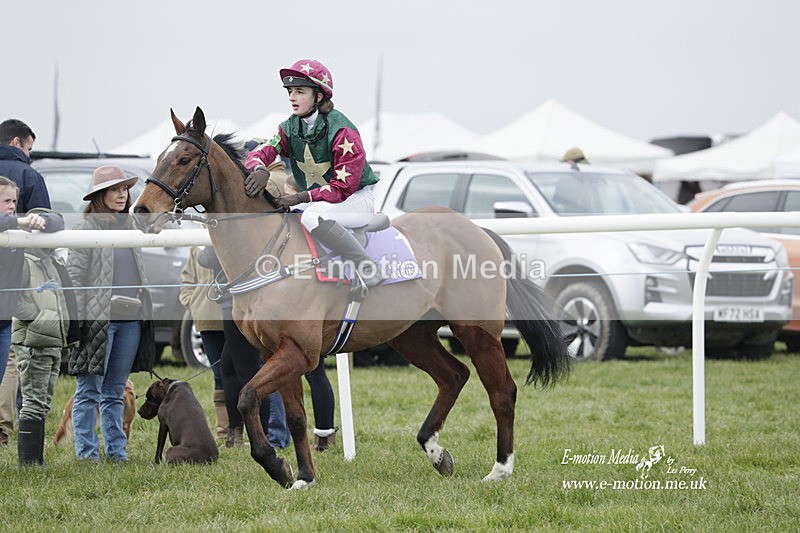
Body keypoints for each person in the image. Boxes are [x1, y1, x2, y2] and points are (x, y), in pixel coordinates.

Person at [244, 59, 383, 288]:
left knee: (311, 216)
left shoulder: (343, 131)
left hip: (356, 199)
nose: (292, 97)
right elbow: (262, 152)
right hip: (322, 202)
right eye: (290, 91)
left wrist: (299, 197)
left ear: (319, 96)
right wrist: (259, 169)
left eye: (300, 91)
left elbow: (342, 188)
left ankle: (366, 266)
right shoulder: (289, 126)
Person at [66, 165, 155, 462]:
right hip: (96, 322)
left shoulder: (132, 226)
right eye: (114, 189)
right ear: (99, 195)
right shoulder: (85, 229)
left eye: (124, 188)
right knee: (89, 391)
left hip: (130, 319)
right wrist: (78, 321)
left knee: (115, 390)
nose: (121, 194)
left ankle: (117, 453)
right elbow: (75, 279)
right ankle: (88, 455)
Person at [196, 246, 291, 449]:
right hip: (239, 302)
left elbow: (206, 257)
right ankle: (237, 434)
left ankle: (257, 436)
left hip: (239, 304)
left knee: (247, 372)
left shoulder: (227, 228)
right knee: (229, 368)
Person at [0, 119, 52, 447]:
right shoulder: (29, 174)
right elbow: (49, 218)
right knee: (15, 359)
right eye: (29, 149)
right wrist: (27, 219)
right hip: (18, 284)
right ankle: (5, 428)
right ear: (18, 143)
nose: (30, 156)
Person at [13, 207, 75, 466]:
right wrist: (39, 318)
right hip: (34, 340)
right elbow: (13, 300)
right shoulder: (26, 262)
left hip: (50, 340)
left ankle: (34, 460)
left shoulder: (51, 263)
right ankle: (28, 463)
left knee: (44, 401)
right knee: (33, 401)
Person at [179, 246, 228, 440]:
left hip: (234, 317)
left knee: (241, 374)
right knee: (219, 376)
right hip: (207, 319)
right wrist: (194, 304)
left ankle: (245, 430)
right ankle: (224, 432)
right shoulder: (196, 245)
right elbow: (187, 279)